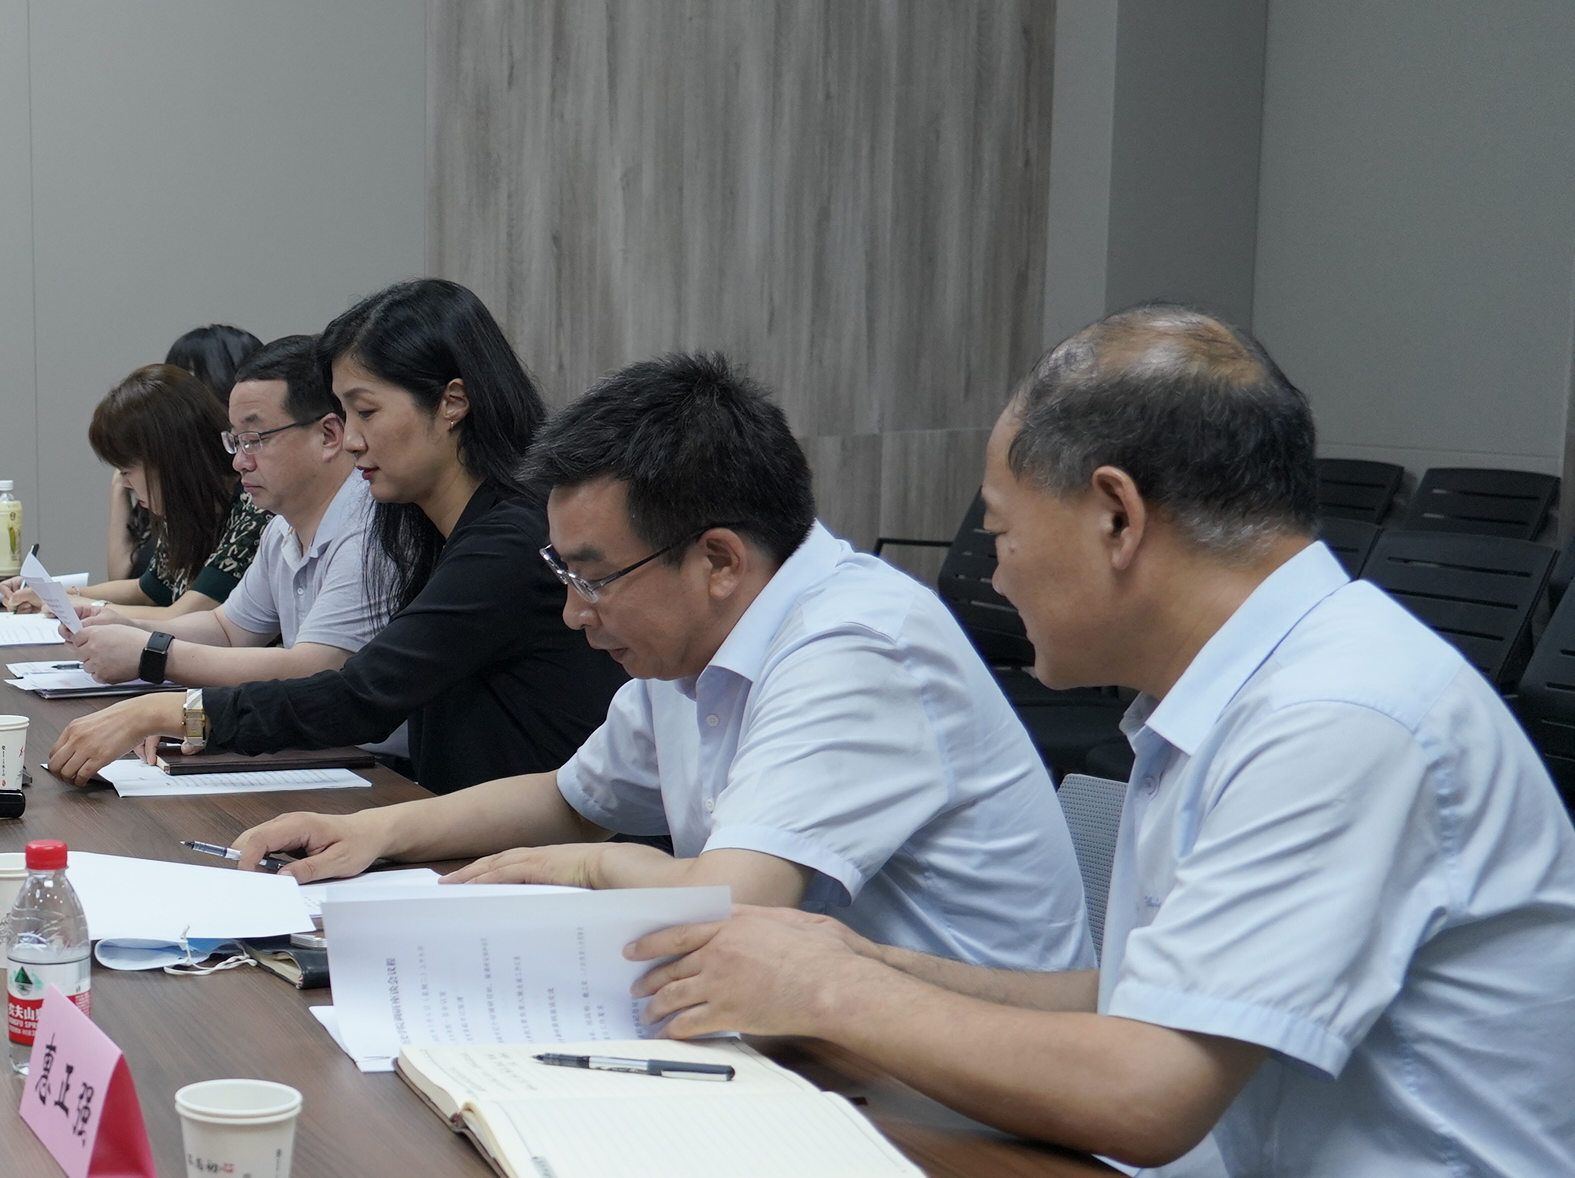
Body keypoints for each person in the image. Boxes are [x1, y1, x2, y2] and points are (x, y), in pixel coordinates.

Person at [627, 308, 1575, 1178]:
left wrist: (831, 994)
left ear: (1117, 516)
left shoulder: (1342, 716)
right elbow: (1143, 997)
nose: (996, 575)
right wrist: (856, 959)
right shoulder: (1240, 693)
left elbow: (1145, 1087)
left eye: (1004, 531)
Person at [228, 353, 1093, 975]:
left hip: (975, 1117)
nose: (574, 613)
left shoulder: (855, 643)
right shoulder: (697, 642)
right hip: (829, 1053)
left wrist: (596, 867)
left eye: (594, 578)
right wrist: (379, 832)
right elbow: (574, 798)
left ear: (718, 560)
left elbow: (728, 906)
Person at [154, 279, 621, 792]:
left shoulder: (508, 541)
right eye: (345, 414)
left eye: (366, 411)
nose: (352, 440)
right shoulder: (430, 526)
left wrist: (178, 714)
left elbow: (358, 698)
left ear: (452, 402)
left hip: (528, 833)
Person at [46, 336, 393, 780]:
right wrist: (131, 628)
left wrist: (153, 659)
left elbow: (314, 668)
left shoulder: (369, 527)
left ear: (328, 435)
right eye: (236, 441)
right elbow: (228, 629)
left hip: (378, 769)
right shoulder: (282, 528)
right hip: (318, 750)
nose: (239, 462)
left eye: (255, 439)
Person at [29, 363, 259, 622]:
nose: (124, 484)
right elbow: (147, 590)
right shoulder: (188, 508)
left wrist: (84, 605)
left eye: (127, 471)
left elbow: (183, 616)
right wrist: (57, 593)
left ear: (167, 461)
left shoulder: (253, 508)